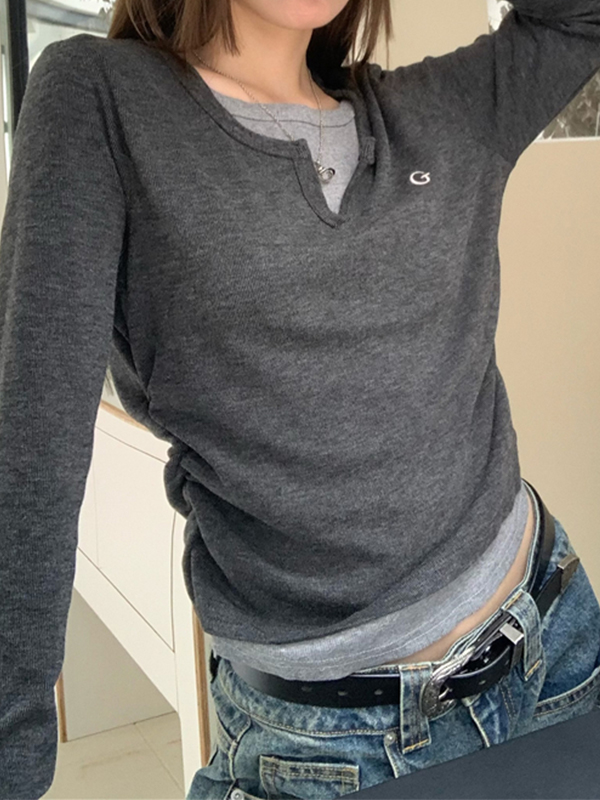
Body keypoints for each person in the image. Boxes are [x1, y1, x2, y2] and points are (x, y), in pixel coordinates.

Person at [1, 1, 600, 798]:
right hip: (325, 743)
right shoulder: (102, 98)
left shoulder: (442, 110)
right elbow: (30, 448)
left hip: (555, 643)